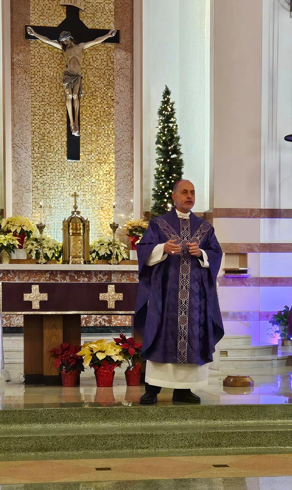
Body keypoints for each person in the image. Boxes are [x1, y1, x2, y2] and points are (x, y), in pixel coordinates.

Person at [134, 180, 224, 404]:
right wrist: (161, 248)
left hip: (195, 297)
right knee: (160, 335)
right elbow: (144, 248)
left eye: (192, 192)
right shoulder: (159, 224)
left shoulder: (204, 228)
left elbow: (215, 254)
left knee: (192, 338)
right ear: (174, 197)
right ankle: (152, 389)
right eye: (184, 192)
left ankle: (184, 390)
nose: (189, 196)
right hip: (165, 294)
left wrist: (201, 253)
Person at [26, 27, 117, 136]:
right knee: (69, 96)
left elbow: (95, 41)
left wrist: (108, 35)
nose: (65, 42)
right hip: (68, 75)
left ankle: (76, 124)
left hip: (77, 75)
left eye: (66, 40)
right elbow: (47, 40)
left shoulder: (80, 46)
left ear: (70, 38)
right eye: (63, 41)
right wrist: (35, 34)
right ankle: (71, 123)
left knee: (75, 96)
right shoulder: (64, 49)